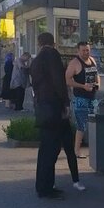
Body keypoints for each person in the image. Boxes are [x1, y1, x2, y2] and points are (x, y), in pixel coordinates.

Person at [30, 32, 85, 198]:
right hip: (54, 108)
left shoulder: (37, 59)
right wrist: (65, 103)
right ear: (53, 43)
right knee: (52, 149)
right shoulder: (52, 55)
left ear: (39, 43)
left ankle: (45, 185)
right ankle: (46, 188)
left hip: (43, 108)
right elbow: (58, 80)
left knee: (46, 149)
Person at [65, 41, 99, 157]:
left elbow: (96, 74)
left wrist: (97, 84)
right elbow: (68, 80)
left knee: (95, 122)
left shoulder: (92, 60)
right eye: (83, 50)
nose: (86, 52)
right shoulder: (74, 63)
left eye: (88, 50)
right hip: (81, 97)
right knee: (82, 125)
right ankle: (76, 150)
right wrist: (82, 86)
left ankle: (94, 149)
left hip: (93, 96)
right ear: (78, 51)